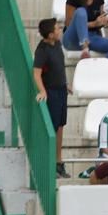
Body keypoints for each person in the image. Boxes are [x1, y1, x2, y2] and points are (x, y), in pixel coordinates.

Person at [31, 18, 68, 178]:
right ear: (51, 34)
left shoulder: (58, 44)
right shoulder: (42, 50)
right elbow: (36, 73)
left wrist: (66, 84)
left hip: (61, 90)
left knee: (60, 126)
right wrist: (43, 91)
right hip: (51, 92)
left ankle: (58, 163)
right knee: (51, 128)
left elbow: (59, 67)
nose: (60, 29)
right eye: (57, 29)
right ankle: (48, 164)